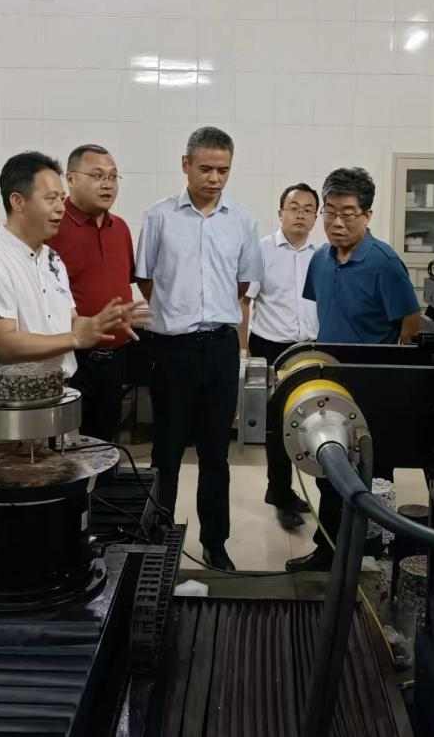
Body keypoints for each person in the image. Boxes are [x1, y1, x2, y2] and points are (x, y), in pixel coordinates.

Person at [136, 127, 264, 572]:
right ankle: (157, 539)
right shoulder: (158, 217)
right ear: (185, 164)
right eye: (206, 168)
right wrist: (177, 312)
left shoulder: (242, 221)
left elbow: (242, 284)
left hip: (221, 348)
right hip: (173, 350)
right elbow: (145, 279)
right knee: (167, 451)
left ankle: (215, 542)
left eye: (223, 170)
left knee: (215, 453)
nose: (214, 178)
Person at [285, 166, 422, 573]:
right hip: (331, 382)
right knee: (328, 468)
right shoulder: (320, 260)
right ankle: (329, 551)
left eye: (347, 213)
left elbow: (410, 323)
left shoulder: (384, 263)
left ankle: (369, 550)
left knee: (371, 473)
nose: (336, 222)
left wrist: (392, 371)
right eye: (330, 212)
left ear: (367, 215)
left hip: (374, 385)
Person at [0, 150, 139, 402]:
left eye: (62, 198)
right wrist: (75, 338)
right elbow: (4, 345)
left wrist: (100, 323)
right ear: (18, 202)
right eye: (51, 199)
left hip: (59, 392)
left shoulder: (51, 259)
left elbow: (71, 321)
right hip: (11, 401)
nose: (61, 208)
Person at [47, 144, 147, 442]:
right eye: (97, 175)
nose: (107, 184)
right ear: (71, 179)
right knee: (64, 445)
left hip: (115, 358)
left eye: (113, 177)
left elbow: (119, 284)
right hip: (71, 358)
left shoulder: (121, 228)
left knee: (104, 443)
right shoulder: (53, 227)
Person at [238, 182, 321, 531]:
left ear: (315, 217)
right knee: (277, 425)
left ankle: (300, 489)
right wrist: (244, 351)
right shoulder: (261, 251)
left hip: (311, 348)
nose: (300, 214)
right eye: (294, 207)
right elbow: (244, 302)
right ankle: (280, 492)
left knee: (309, 419)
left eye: (308, 209)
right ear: (280, 213)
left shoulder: (322, 254)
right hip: (270, 346)